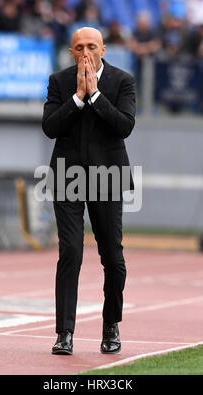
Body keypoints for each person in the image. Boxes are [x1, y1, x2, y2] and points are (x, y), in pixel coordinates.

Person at [42, 27, 136, 355]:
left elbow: (124, 125)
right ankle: (64, 333)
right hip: (67, 174)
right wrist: (78, 98)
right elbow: (50, 127)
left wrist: (95, 96)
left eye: (92, 46)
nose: (85, 52)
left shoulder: (122, 81)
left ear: (103, 50)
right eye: (79, 47)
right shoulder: (59, 81)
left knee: (112, 254)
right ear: (70, 52)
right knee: (70, 251)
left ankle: (111, 325)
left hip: (107, 175)